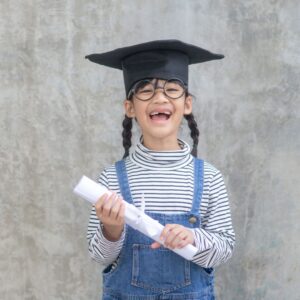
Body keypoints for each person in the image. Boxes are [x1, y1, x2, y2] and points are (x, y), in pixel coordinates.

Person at [86, 40, 235, 299]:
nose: (159, 97)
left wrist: (193, 237)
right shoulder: (111, 178)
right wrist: (112, 229)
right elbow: (100, 256)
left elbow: (225, 247)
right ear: (130, 107)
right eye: (145, 90)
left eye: (171, 89)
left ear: (187, 104)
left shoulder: (209, 177)